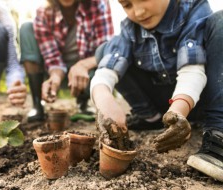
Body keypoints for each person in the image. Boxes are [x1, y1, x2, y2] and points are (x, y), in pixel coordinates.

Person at [91, 0, 223, 182]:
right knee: (104, 52)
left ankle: (218, 133)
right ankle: (150, 118)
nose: (138, 12)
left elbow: (192, 70)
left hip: (198, 99)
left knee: (221, 21)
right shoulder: (130, 28)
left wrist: (178, 111)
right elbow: (106, 72)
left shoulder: (193, 8)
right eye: (127, 5)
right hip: (164, 105)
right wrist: (105, 101)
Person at [19, 0, 114, 122]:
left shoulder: (99, 4)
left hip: (87, 74)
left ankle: (83, 103)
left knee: (103, 66)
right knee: (26, 28)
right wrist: (55, 77)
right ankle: (37, 104)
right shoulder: (43, 12)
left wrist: (83, 65)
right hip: (57, 73)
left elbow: (106, 51)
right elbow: (52, 58)